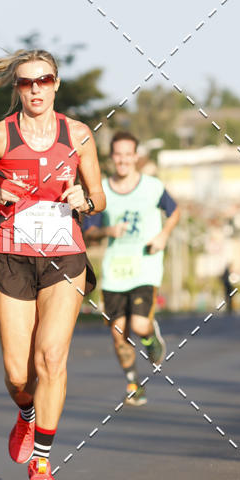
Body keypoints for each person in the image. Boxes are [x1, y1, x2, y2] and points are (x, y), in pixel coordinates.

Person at [0, 50, 105, 480]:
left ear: (57, 84)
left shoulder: (78, 135)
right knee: (18, 373)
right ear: (17, 89)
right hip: (11, 255)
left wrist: (87, 201)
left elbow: (98, 196)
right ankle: (26, 413)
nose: (36, 88)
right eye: (26, 82)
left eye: (44, 80)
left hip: (64, 255)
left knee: (52, 358)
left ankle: (41, 459)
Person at [84, 131, 179, 406]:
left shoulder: (152, 186)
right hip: (115, 272)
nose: (123, 160)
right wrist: (107, 230)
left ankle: (151, 339)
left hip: (145, 267)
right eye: (118, 155)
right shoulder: (101, 190)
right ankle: (133, 384)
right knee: (118, 332)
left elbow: (174, 212)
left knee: (138, 324)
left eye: (128, 154)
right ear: (112, 157)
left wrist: (163, 236)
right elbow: (89, 232)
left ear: (135, 156)